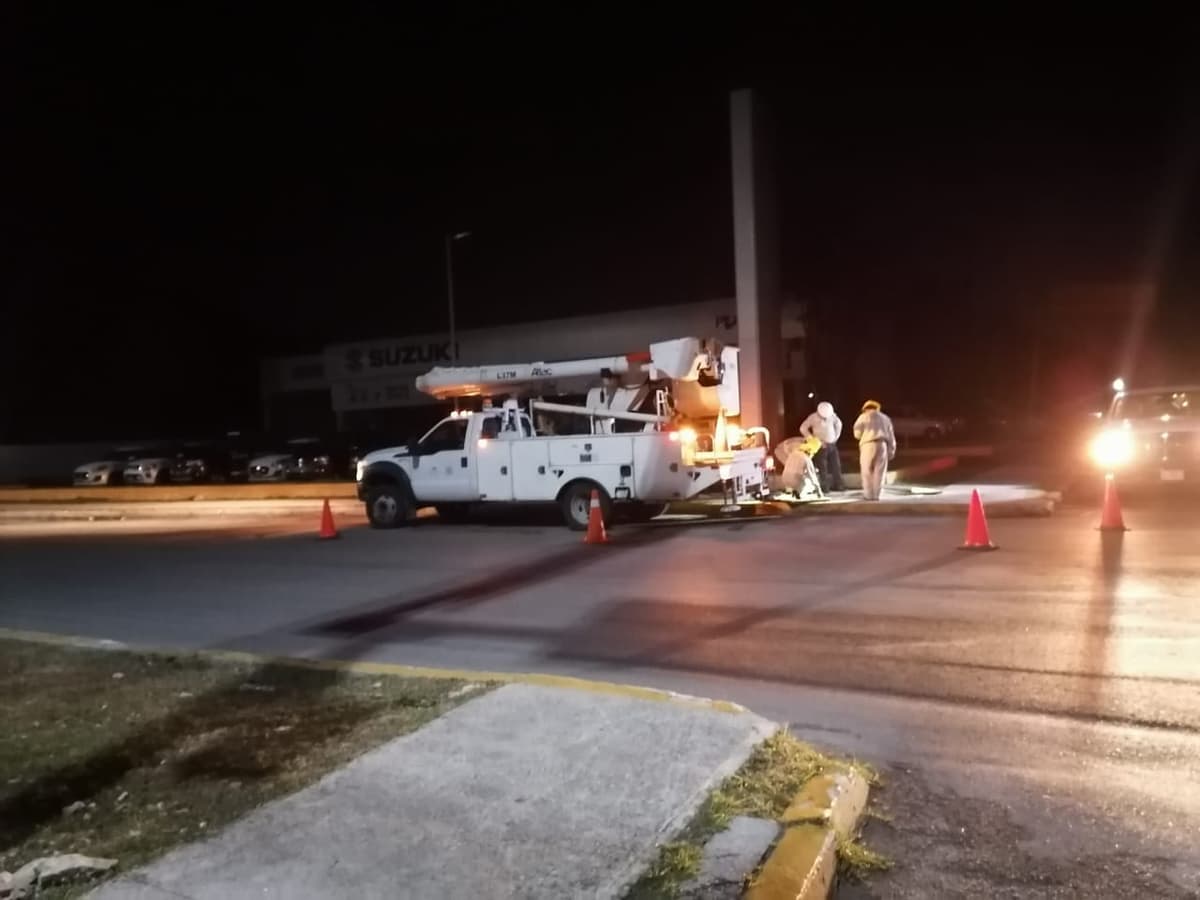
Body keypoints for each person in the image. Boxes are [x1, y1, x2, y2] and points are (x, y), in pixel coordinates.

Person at [853, 400, 896, 501]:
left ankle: (868, 495)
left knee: (866, 470)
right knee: (880, 471)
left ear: (865, 408)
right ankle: (877, 495)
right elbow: (891, 436)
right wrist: (892, 449)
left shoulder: (863, 417)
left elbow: (857, 434)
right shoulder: (885, 418)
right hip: (882, 445)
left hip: (868, 444)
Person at [799, 401, 845, 492]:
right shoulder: (813, 417)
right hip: (820, 446)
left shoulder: (832, 416)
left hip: (832, 444)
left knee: (836, 466)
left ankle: (839, 485)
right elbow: (803, 428)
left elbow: (839, 425)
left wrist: (835, 438)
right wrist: (812, 439)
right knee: (823, 467)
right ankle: (825, 487)